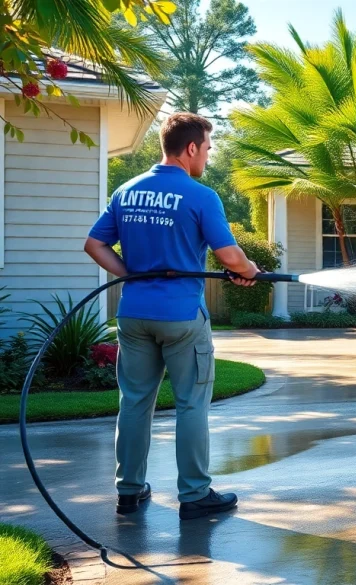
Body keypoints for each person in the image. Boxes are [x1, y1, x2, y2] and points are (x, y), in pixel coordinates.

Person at [84, 112, 262, 520]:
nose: (209, 157)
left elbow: (95, 245)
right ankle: (195, 495)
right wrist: (248, 270)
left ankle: (128, 490)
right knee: (191, 404)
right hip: (181, 316)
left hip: (134, 314)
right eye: (209, 149)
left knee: (133, 403)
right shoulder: (200, 196)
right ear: (192, 148)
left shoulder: (127, 190)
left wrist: (132, 275)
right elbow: (230, 256)